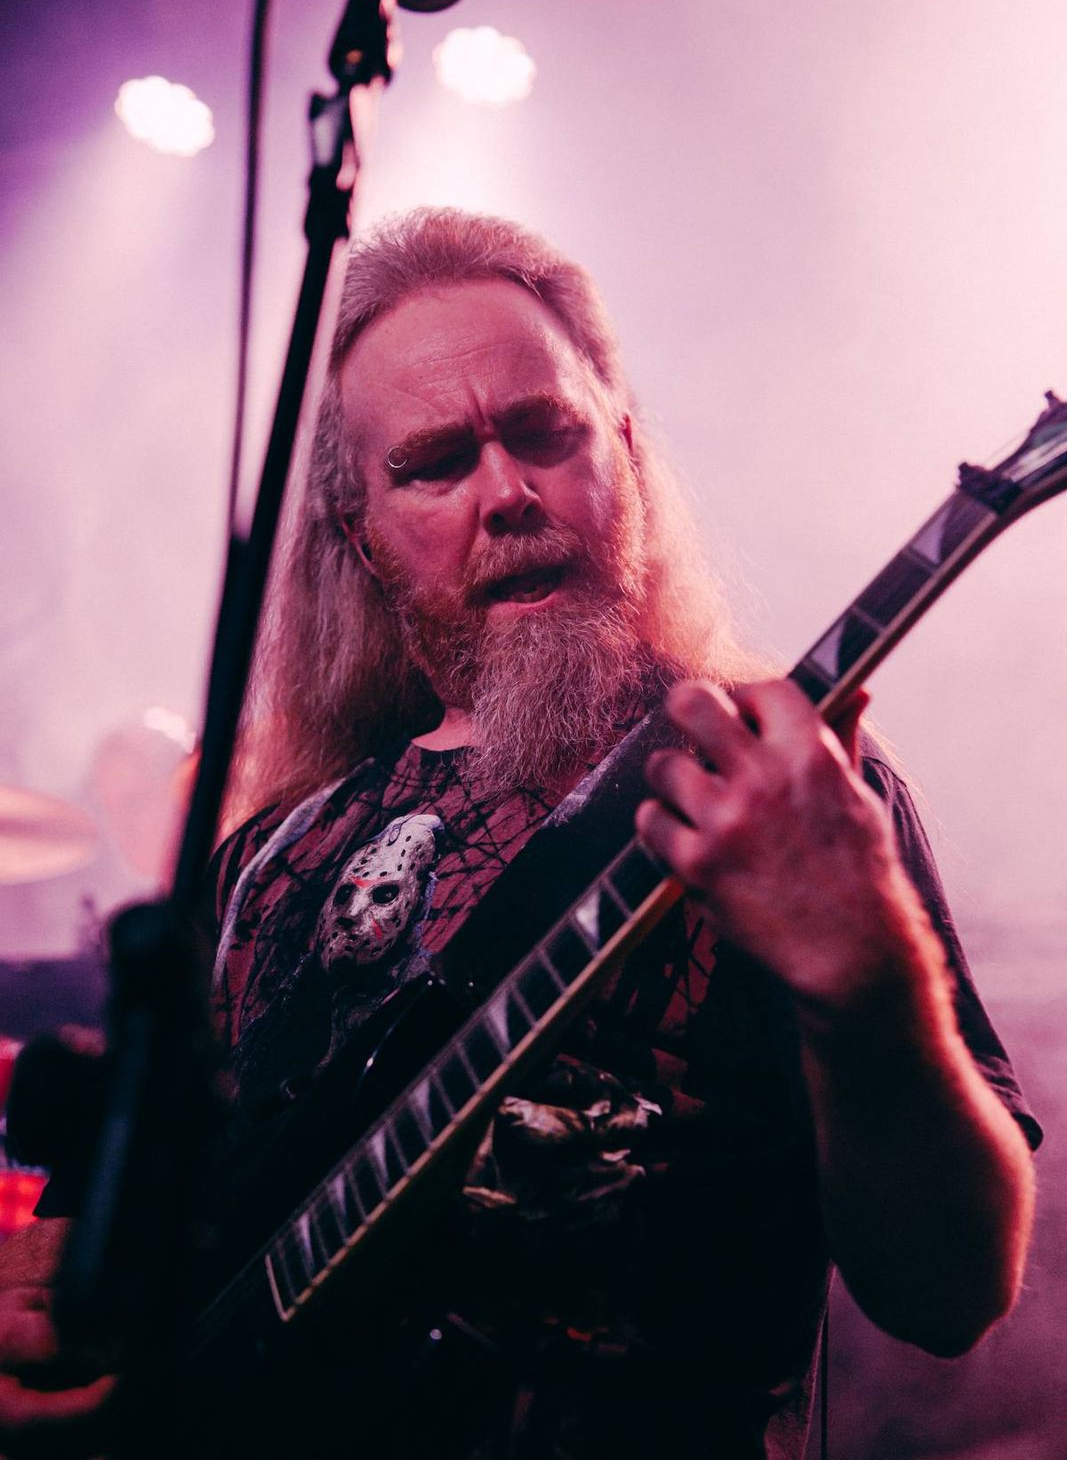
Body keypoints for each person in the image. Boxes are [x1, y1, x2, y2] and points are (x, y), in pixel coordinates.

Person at [0, 209, 1039, 1458]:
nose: (506, 493)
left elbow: (949, 1290)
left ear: (624, 452)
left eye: (545, 433)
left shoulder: (775, 792)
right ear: (363, 539)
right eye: (434, 464)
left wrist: (863, 973)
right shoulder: (269, 855)